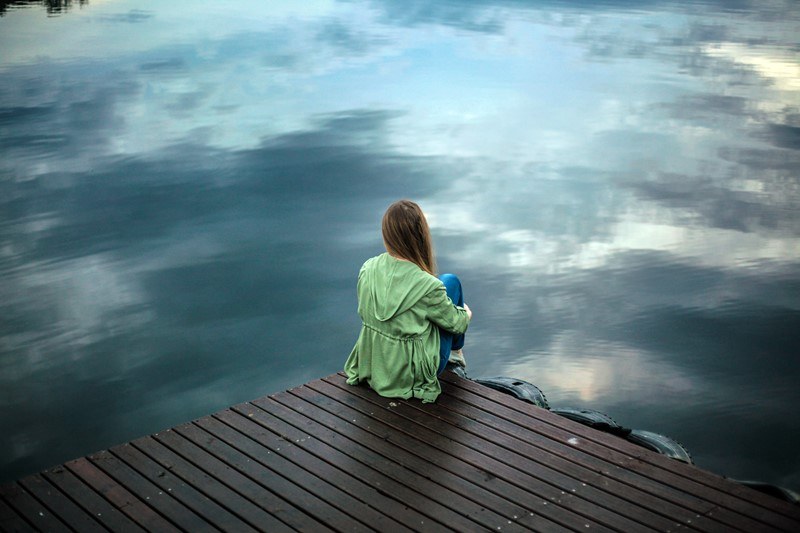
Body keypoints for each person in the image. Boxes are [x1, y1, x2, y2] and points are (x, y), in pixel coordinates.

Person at [344, 199, 472, 403]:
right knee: (450, 281)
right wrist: (465, 313)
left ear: (386, 234)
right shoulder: (428, 286)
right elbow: (458, 324)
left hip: (376, 364)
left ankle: (453, 352)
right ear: (421, 235)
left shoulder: (367, 268)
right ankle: (455, 354)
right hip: (411, 375)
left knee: (443, 286)